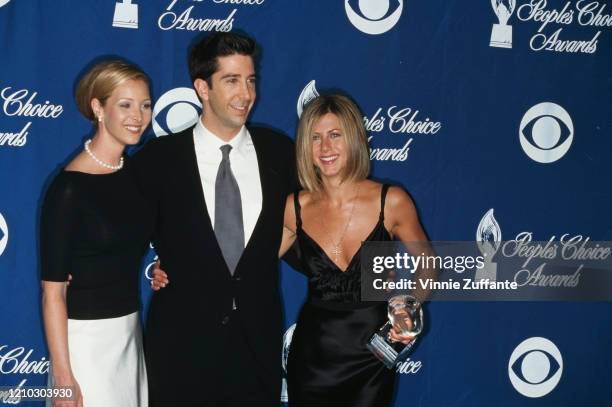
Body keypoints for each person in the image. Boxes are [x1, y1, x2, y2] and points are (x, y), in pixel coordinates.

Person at [130, 32, 296, 406]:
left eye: (251, 80)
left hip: (257, 349)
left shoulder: (280, 153)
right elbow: (122, 239)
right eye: (232, 80)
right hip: (178, 350)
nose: (246, 94)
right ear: (202, 88)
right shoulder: (158, 160)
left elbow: (320, 223)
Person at [278, 94, 429, 407]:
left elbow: (427, 263)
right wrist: (176, 265)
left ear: (355, 139)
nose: (325, 148)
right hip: (313, 358)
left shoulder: (391, 201)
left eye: (335, 135)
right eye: (315, 138)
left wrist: (410, 306)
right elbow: (248, 264)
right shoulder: (296, 207)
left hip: (374, 354)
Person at [40, 60, 153, 407]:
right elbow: (52, 295)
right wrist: (63, 378)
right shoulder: (68, 190)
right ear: (98, 108)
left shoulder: (133, 171)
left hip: (129, 334)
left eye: (145, 104)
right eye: (125, 104)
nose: (139, 115)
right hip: (85, 344)